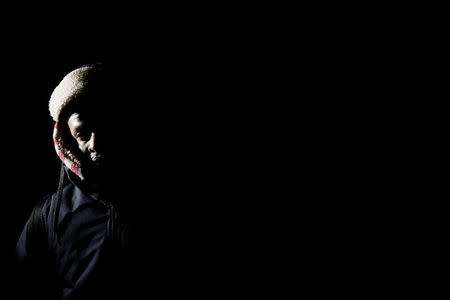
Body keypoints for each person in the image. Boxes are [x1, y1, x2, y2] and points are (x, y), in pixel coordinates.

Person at [15, 63, 141, 300]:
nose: (95, 144)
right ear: (66, 140)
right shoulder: (47, 215)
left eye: (105, 128)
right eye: (82, 134)